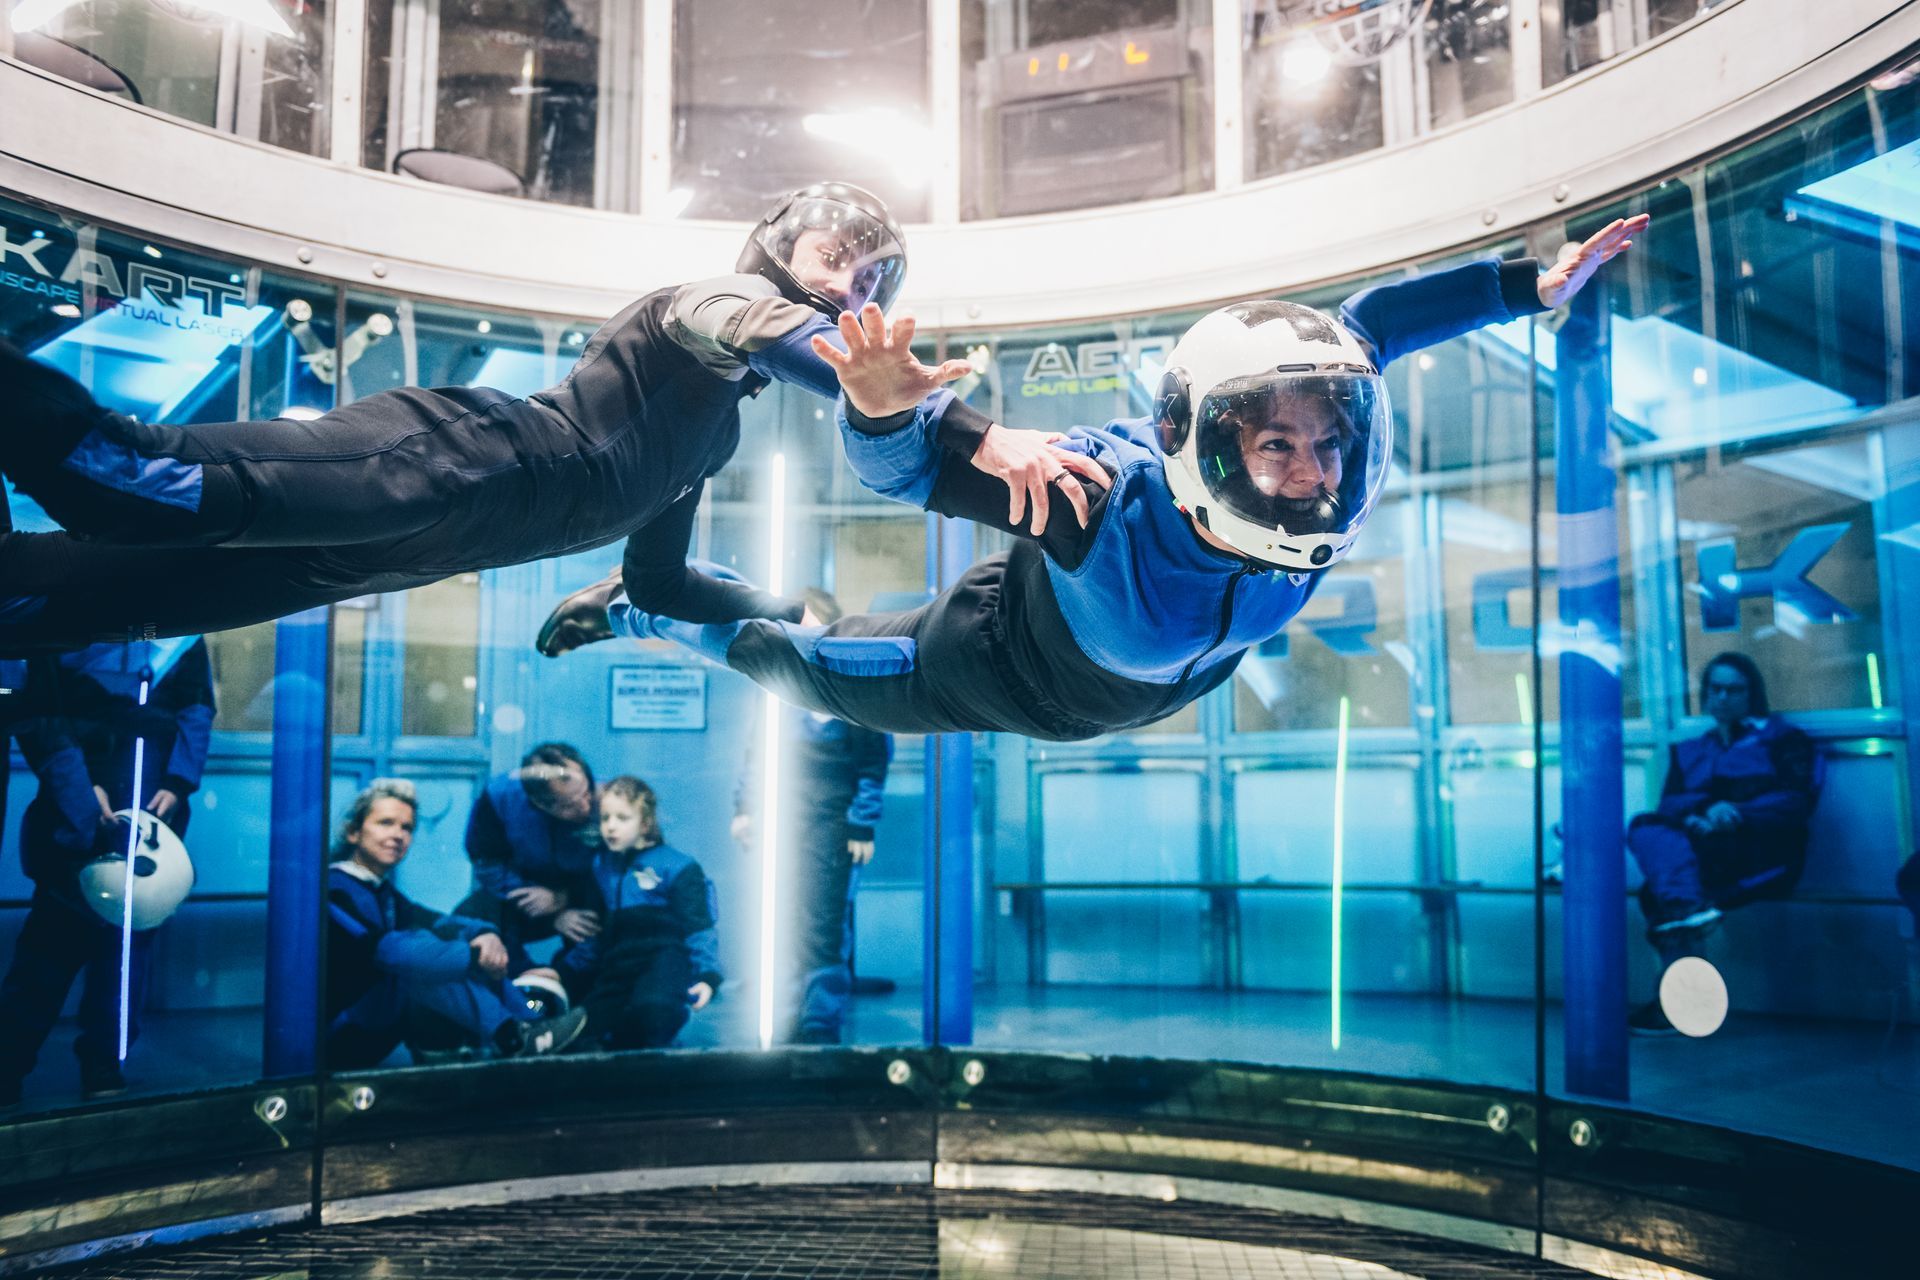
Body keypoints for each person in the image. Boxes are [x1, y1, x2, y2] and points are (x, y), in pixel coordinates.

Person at [539, 218, 1649, 742]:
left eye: (1327, 447)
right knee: (813, 665)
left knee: (817, 641)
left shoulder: (1302, 460)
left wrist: (1524, 287)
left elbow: (1370, 328)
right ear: (1210, 447)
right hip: (1003, 666)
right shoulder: (1093, 500)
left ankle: (679, 598)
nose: (1313, 475)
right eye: (1278, 449)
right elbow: (905, 469)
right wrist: (878, 405)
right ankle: (644, 609)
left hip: (1165, 678)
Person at [0, 183, 990, 652]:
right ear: (774, 251)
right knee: (121, 476)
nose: (845, 287)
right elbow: (765, 327)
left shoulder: (716, 435)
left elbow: (661, 578)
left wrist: (783, 614)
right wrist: (951, 426)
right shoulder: (700, 306)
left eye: (867, 279)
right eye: (832, 260)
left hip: (389, 554)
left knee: (77, 604)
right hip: (449, 462)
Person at [0, 636, 214, 1104]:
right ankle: (12, 1067)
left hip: (146, 820)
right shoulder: (68, 625)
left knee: (122, 961)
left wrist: (178, 783)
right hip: (81, 821)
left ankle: (100, 1063)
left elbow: (197, 708)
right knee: (47, 958)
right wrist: (80, 796)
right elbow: (41, 717)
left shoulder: (182, 636)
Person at [326, 777, 588, 1068]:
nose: (399, 835)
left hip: (378, 1019)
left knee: (452, 949)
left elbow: (438, 921)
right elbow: (390, 952)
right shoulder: (335, 889)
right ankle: (514, 1036)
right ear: (353, 832)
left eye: (407, 827)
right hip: (340, 1031)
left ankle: (533, 1024)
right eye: (386, 823)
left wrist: (484, 935)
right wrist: (474, 956)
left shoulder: (380, 890)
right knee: (424, 962)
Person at [1624, 652, 1818, 1035]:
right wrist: (1701, 811)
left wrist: (1738, 812)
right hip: (1706, 851)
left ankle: (1679, 1002)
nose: (1724, 697)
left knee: (1661, 896)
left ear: (1752, 694)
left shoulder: (1784, 741)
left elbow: (1797, 801)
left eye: (1734, 689)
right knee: (1645, 829)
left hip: (1764, 854)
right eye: (1716, 689)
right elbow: (1671, 804)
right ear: (1706, 695)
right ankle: (1686, 920)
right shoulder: (1693, 750)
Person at [732, 588, 892, 1044]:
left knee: (823, 921)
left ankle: (820, 1016)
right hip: (783, 822)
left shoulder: (851, 684)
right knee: (783, 915)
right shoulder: (777, 691)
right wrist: (746, 809)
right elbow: (755, 758)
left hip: (833, 825)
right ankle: (784, 1007)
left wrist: (863, 822)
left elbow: (872, 762)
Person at [557, 776, 720, 1051]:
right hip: (618, 965)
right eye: (606, 817)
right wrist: (562, 972)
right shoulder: (602, 866)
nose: (610, 826)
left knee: (652, 1011)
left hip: (664, 959)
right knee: (583, 1026)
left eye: (623, 818)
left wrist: (707, 977)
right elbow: (594, 932)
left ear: (644, 824)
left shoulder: (678, 866)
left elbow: (699, 927)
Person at [455, 742, 604, 971]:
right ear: (539, 804)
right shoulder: (500, 797)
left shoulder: (607, 800)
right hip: (521, 892)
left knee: (593, 927)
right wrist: (542, 904)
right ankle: (517, 989)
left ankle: (571, 987)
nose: (584, 807)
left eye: (585, 794)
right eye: (569, 806)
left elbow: (611, 872)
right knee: (473, 920)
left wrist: (561, 900)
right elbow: (486, 862)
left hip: (581, 893)